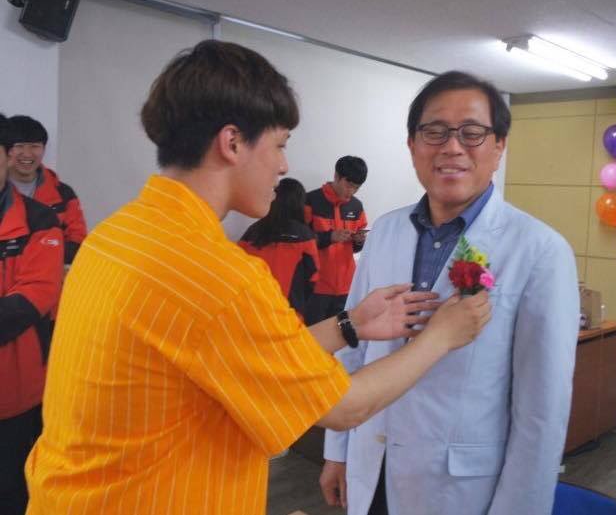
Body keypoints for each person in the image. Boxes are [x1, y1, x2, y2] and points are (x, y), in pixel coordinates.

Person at [24, 41, 491, 515]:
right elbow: (343, 407)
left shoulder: (116, 234)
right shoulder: (218, 274)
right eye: (280, 144)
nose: (284, 165)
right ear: (232, 143)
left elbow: (239, 354)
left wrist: (349, 325)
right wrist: (440, 336)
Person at [321, 71, 580, 515]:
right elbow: (354, 349)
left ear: (499, 146)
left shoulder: (540, 250)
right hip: (372, 462)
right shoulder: (386, 230)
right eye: (435, 132)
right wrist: (337, 451)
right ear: (412, 145)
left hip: (456, 487)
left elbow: (542, 410)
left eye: (472, 132)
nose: (452, 147)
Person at [0, 113, 64, 515]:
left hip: (17, 394)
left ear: (6, 156)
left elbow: (31, 299)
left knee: (15, 492)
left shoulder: (40, 220)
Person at [5, 115, 87, 265]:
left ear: (44, 149)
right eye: (19, 146)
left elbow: (77, 242)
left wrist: (38, 255)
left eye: (35, 146)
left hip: (49, 274)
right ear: (6, 149)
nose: (27, 153)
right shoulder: (2, 192)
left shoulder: (63, 193)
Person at [240, 177, 319, 322]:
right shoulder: (304, 235)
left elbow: (238, 269)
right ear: (299, 203)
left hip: (253, 309)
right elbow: (313, 276)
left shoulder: (252, 231)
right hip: (288, 313)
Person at [305, 155, 368, 324]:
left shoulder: (356, 206)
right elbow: (299, 243)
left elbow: (355, 248)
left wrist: (359, 241)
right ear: (337, 176)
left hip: (346, 286)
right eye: (349, 185)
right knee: (311, 336)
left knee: (339, 337)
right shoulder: (310, 201)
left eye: (357, 188)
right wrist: (329, 237)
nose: (351, 192)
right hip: (316, 286)